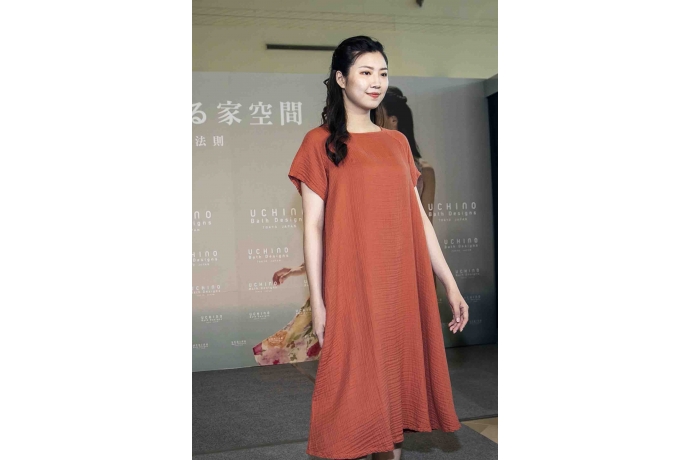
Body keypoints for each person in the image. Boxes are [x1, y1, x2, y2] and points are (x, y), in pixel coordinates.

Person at [287, 36, 469, 460]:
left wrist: (450, 283)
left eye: (382, 73)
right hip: (352, 287)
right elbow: (313, 226)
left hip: (400, 286)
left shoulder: (397, 142)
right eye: (365, 72)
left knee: (395, 396)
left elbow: (418, 219)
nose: (376, 82)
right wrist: (319, 303)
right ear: (340, 78)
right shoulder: (319, 142)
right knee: (352, 399)